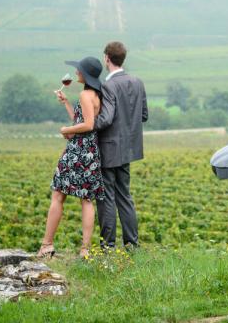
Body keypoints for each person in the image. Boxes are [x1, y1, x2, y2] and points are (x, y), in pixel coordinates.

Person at [37, 56, 105, 259]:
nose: (76, 73)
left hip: (77, 150)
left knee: (58, 195)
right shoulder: (94, 94)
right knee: (86, 199)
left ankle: (47, 244)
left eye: (79, 70)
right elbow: (82, 120)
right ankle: (85, 249)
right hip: (91, 150)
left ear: (86, 73)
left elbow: (88, 125)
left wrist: (66, 129)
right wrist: (67, 103)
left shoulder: (85, 95)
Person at [87, 41, 147, 250]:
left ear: (106, 58)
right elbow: (143, 115)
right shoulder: (138, 82)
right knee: (125, 196)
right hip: (129, 149)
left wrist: (83, 126)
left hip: (109, 149)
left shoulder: (108, 86)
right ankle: (132, 245)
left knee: (106, 198)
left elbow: (105, 119)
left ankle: (108, 248)